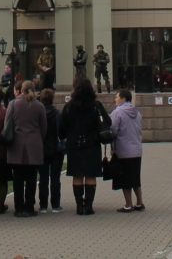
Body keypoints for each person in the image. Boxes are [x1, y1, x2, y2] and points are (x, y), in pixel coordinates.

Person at [58, 76, 110, 216]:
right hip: (92, 144)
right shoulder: (96, 106)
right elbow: (108, 122)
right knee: (90, 174)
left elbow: (62, 128)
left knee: (77, 174)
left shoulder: (69, 107)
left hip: (74, 145)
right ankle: (88, 206)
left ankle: (79, 206)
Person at [6, 80, 47, 217]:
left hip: (16, 144)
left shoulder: (13, 104)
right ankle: (29, 207)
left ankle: (18, 208)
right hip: (34, 144)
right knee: (31, 177)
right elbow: (43, 128)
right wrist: (38, 138)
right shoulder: (39, 106)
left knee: (17, 178)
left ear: (21, 90)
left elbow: (7, 124)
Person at [109, 89, 144, 212]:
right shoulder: (137, 112)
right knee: (135, 178)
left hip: (123, 150)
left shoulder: (117, 112)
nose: (115, 99)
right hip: (137, 149)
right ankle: (139, 202)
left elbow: (113, 130)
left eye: (117, 97)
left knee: (124, 179)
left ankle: (128, 204)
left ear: (123, 99)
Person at [37, 87, 63, 213]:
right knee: (55, 178)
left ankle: (43, 205)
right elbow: (61, 131)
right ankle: (56, 205)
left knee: (43, 178)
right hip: (56, 149)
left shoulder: (38, 114)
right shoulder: (57, 114)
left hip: (41, 148)